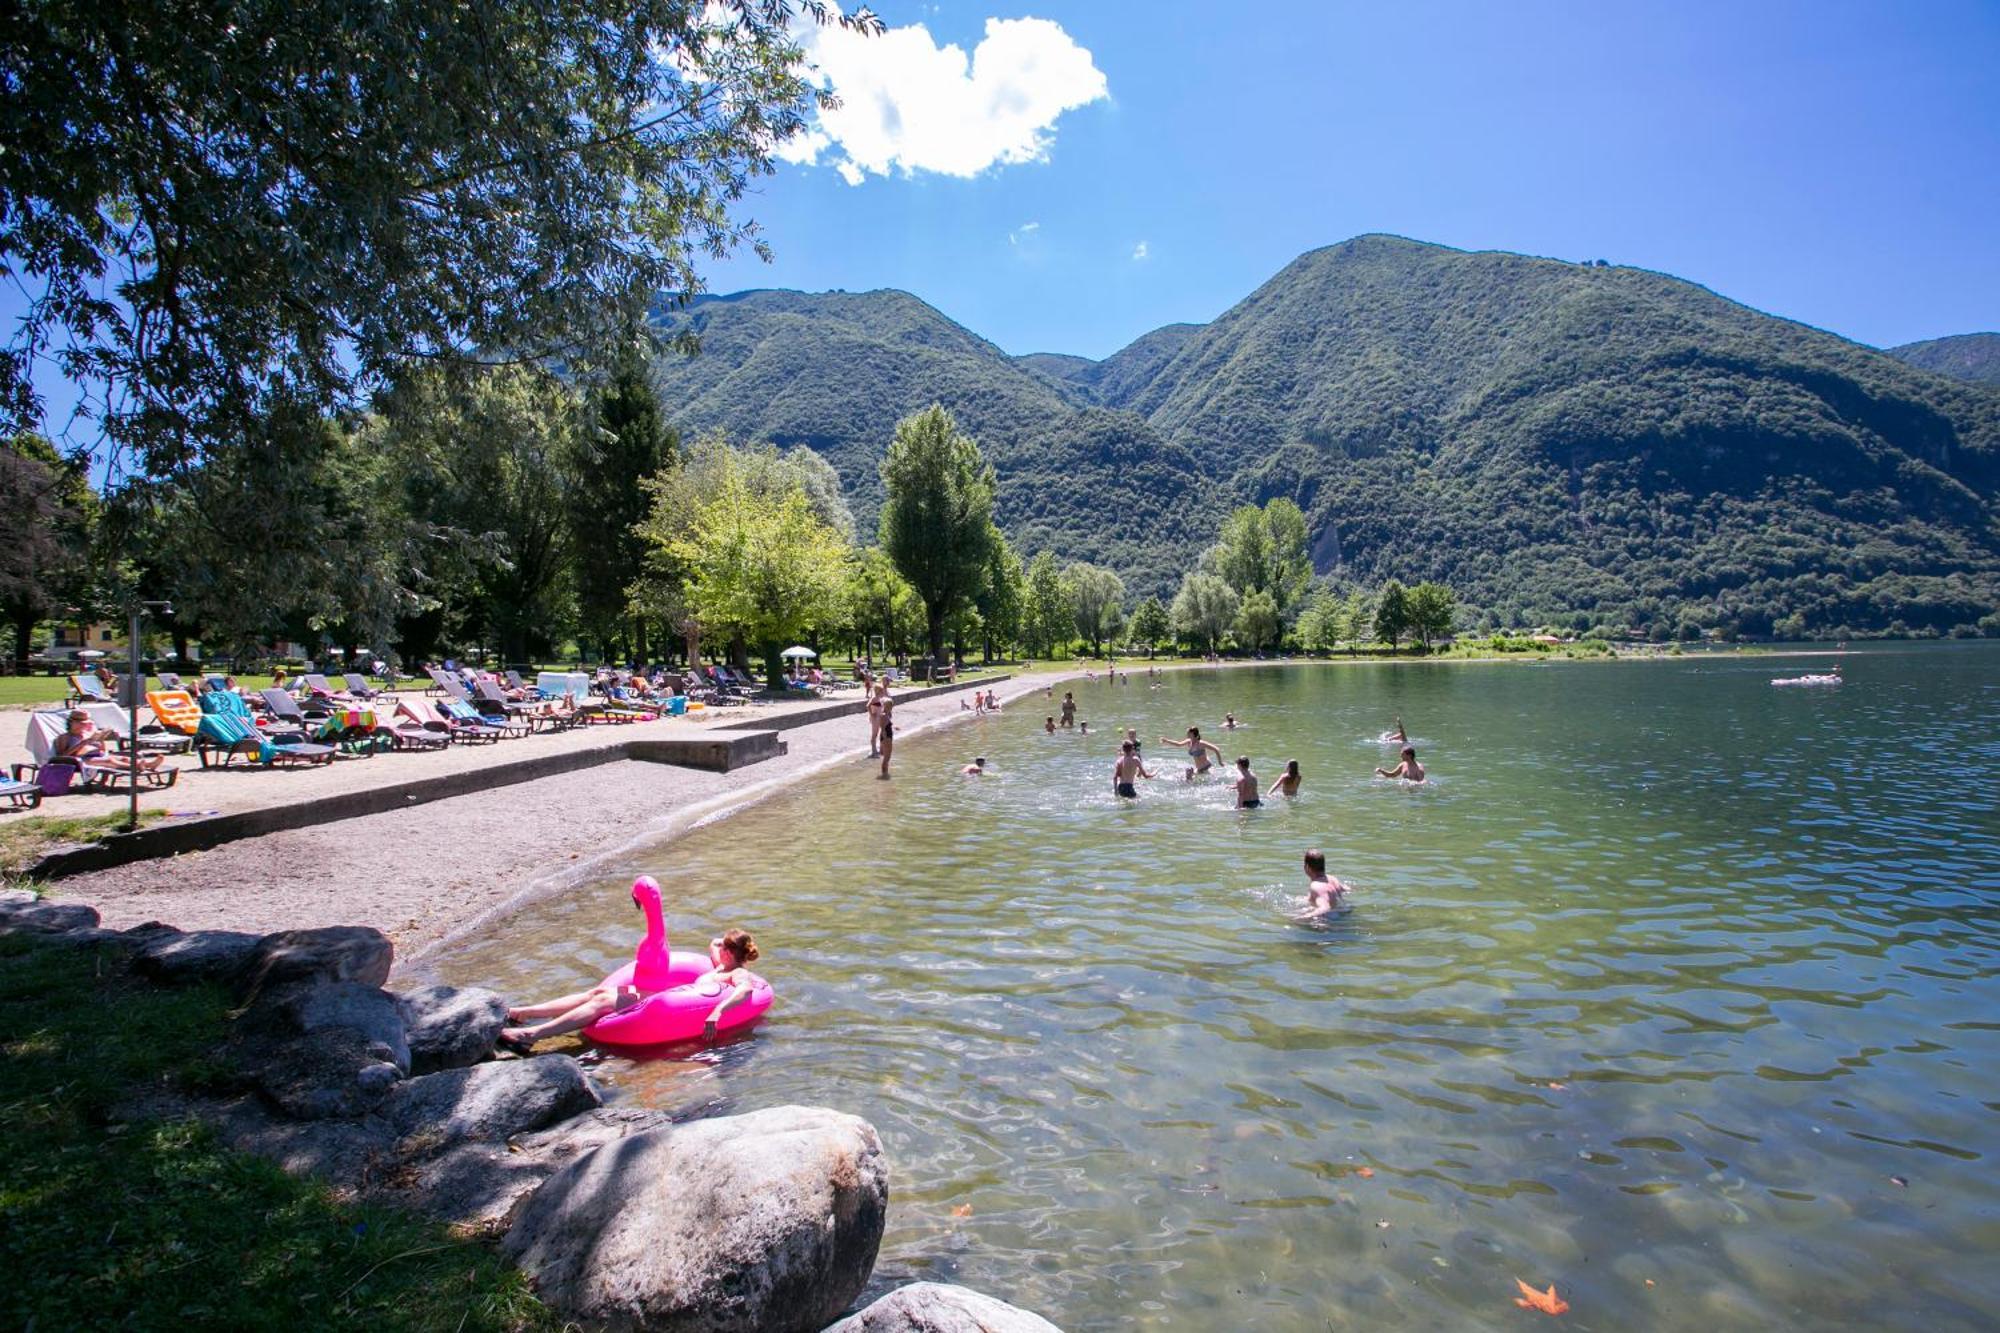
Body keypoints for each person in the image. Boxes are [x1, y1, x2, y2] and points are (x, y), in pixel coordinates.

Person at [501, 929, 763, 1047]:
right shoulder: (720, 964)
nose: (720, 950)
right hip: (652, 998)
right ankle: (524, 1013)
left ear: (731, 953)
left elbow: (745, 991)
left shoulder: (737, 972)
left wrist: (718, 1011)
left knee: (602, 1003)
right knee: (599, 993)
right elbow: (714, 942)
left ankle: (533, 1034)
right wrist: (727, 943)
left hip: (657, 1006)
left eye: (726, 948)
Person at [53, 709, 166, 772]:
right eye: (81, 724)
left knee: (124, 758)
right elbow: (61, 756)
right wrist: (83, 743)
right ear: (72, 723)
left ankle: (148, 764)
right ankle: (137, 767)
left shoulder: (88, 733)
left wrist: (101, 739)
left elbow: (102, 750)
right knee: (110, 762)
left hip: (96, 755)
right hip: (79, 760)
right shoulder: (65, 737)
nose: (84, 726)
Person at [1291, 849, 1350, 920]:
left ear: (1307, 867)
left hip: (1328, 920)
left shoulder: (1316, 886)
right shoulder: (1332, 879)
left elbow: (1325, 908)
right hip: (1339, 913)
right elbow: (1346, 889)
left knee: (1292, 918)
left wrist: (1302, 917)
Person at [878, 694, 896, 779]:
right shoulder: (884, 715)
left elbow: (887, 725)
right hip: (886, 736)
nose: (892, 707)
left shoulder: (887, 714)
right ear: (887, 706)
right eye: (891, 705)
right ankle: (884, 774)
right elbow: (883, 728)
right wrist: (884, 740)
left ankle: (885, 773)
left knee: (886, 757)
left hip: (887, 736)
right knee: (887, 757)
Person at [867, 683, 886, 757]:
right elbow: (868, 706)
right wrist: (871, 714)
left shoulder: (879, 699)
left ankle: (878, 749)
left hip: (879, 717)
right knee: (874, 734)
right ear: (878, 691)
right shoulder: (874, 698)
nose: (883, 692)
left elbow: (880, 708)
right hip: (875, 718)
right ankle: (873, 750)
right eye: (882, 691)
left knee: (879, 733)